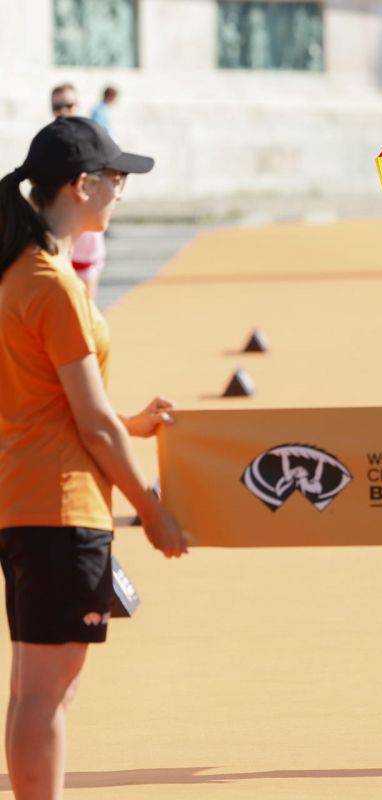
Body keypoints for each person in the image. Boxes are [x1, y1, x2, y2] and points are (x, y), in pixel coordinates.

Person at [0, 116, 187, 799]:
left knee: (33, 690)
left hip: (27, 498)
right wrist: (152, 510)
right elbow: (91, 425)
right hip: (63, 507)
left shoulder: (23, 274)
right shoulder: (50, 283)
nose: (120, 192)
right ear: (81, 186)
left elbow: (50, 402)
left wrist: (131, 423)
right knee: (48, 696)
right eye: (116, 180)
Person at [49, 84, 106, 300]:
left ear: (78, 106)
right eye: (57, 107)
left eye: (68, 105)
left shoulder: (93, 140)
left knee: (87, 309)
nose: (62, 111)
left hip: (85, 240)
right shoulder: (46, 144)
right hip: (57, 240)